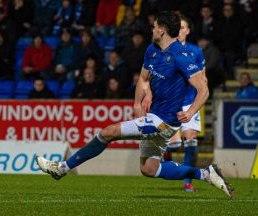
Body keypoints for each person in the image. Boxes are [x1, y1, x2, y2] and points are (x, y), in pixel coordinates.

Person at [35, 11, 233, 199]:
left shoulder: (181, 56)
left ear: (162, 30)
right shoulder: (152, 50)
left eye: (155, 27)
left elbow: (203, 89)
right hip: (154, 116)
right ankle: (206, 174)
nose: (152, 29)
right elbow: (144, 79)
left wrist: (190, 112)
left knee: (107, 132)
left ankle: (61, 169)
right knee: (149, 168)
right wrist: (138, 103)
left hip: (165, 121)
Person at [143, 15, 207, 192]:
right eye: (178, 28)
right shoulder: (163, 49)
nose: (179, 31)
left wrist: (198, 100)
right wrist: (149, 94)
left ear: (187, 31)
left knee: (191, 140)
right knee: (174, 144)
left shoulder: (195, 51)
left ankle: (188, 182)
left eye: (183, 28)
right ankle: (164, 165)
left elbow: (203, 78)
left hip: (189, 101)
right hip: (169, 104)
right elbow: (156, 76)